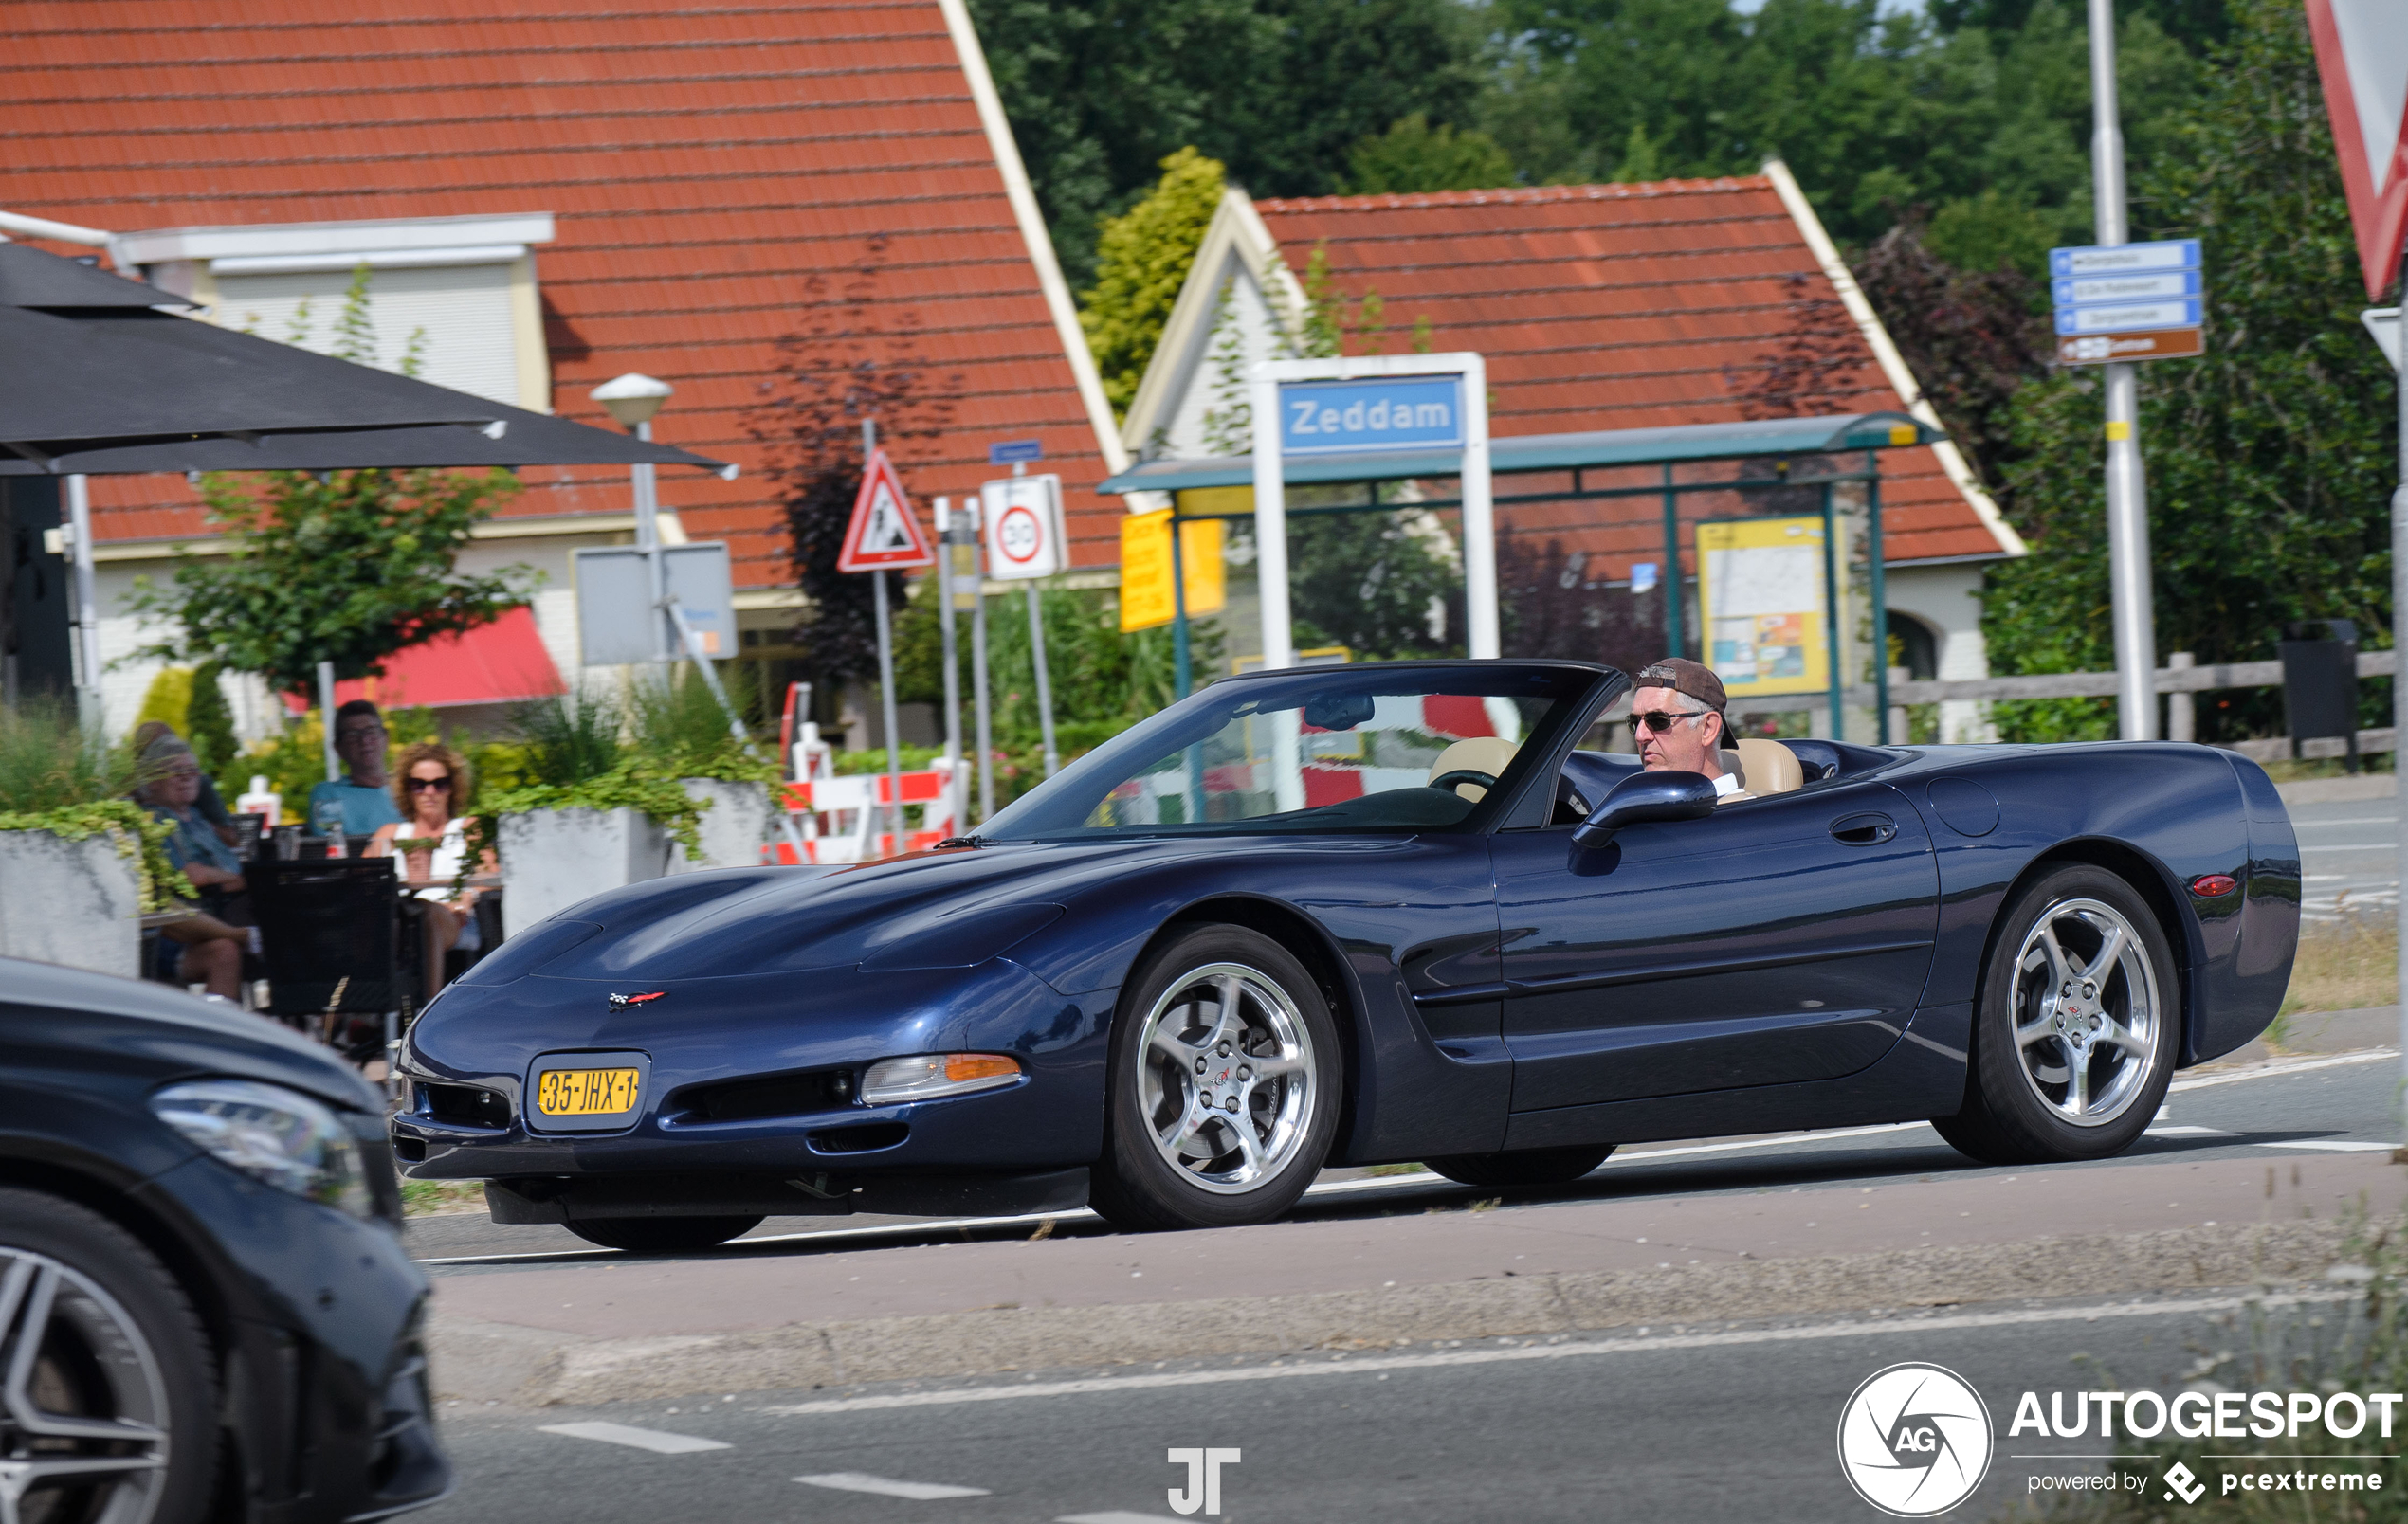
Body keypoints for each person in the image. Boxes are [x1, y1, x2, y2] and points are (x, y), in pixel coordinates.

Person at [371, 741, 495, 997]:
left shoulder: (467, 829)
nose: (430, 792)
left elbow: (492, 875)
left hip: (451, 919)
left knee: (426, 913)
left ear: (452, 788)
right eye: (419, 784)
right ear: (407, 789)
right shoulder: (390, 834)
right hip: (395, 921)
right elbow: (359, 881)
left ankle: (427, 1009)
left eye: (440, 783)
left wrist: (467, 895)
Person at [137, 735, 257, 999]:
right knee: (225, 952)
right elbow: (192, 876)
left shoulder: (199, 818)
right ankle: (217, 1037)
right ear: (153, 780)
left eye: (192, 770)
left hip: (226, 912)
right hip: (175, 931)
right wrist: (246, 879)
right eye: (176, 771)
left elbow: (230, 860)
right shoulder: (153, 819)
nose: (187, 777)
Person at [1628, 658, 1750, 804]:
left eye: (1658, 720)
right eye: (1634, 722)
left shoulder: (1749, 819)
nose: (1640, 735)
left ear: (1708, 728)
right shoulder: (1635, 811)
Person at [130, 719, 240, 848]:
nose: (185, 776)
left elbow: (232, 838)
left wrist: (193, 826)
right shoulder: (128, 789)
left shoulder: (197, 781)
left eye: (169, 749)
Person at [306, 698, 405, 840]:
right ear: (338, 748)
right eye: (353, 735)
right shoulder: (328, 796)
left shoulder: (411, 788)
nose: (364, 741)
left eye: (371, 731)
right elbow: (331, 850)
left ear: (386, 738)